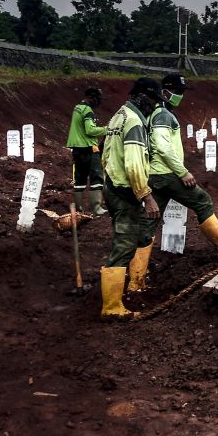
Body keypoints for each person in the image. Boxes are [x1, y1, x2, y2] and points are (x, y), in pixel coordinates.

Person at [139, 73, 218, 291]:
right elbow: (163, 147)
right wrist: (182, 172)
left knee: (150, 222)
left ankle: (137, 276)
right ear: (164, 92)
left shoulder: (155, 113)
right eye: (178, 91)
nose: (180, 96)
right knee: (202, 200)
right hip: (167, 173)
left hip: (154, 175)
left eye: (182, 92)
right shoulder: (163, 115)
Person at [99, 77, 164, 319]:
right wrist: (146, 196)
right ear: (142, 96)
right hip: (125, 191)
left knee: (138, 235)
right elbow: (135, 164)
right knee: (124, 243)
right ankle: (111, 307)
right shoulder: (135, 121)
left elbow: (105, 151)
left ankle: (136, 282)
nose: (154, 106)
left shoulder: (118, 115)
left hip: (113, 187)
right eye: (153, 100)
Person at [66, 87, 109, 216]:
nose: (99, 102)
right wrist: (107, 129)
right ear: (92, 98)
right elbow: (90, 130)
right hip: (89, 148)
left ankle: (79, 209)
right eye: (98, 99)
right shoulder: (88, 110)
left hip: (77, 149)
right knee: (96, 176)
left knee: (79, 178)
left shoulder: (77, 108)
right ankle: (96, 208)